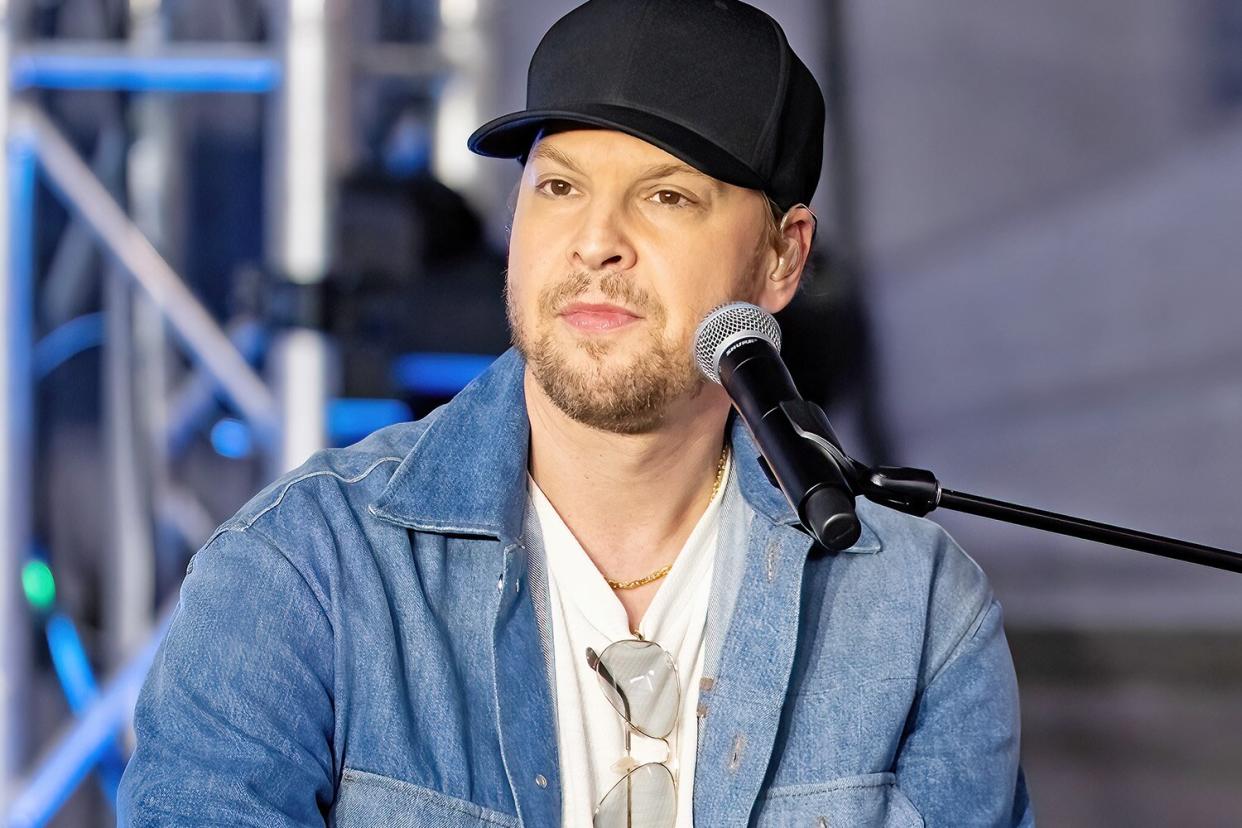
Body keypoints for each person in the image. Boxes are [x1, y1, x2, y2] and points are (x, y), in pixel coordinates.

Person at [120, 1, 1034, 825]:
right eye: (559, 186)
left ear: (782, 259)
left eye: (667, 196)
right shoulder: (303, 572)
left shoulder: (915, 611)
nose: (597, 243)